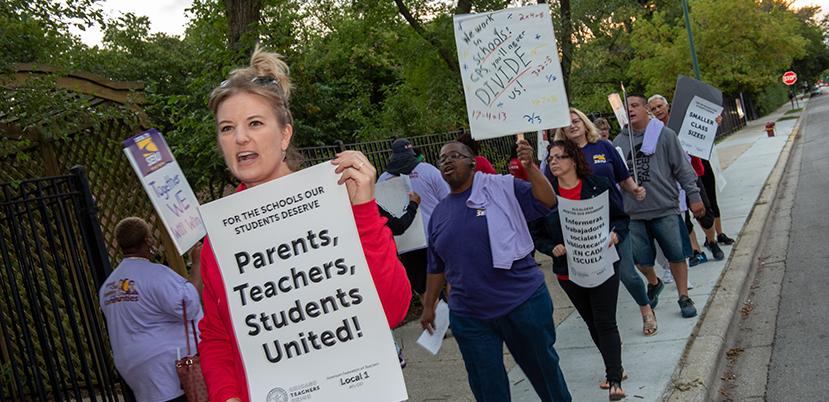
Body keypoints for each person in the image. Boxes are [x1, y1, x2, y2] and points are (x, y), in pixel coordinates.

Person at [198, 46, 411, 402]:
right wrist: (227, 395)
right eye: (227, 128)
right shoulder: (218, 241)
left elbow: (394, 308)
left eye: (255, 123)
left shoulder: (340, 201)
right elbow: (217, 336)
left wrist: (363, 213)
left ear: (284, 135)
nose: (240, 139)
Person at [421, 140, 571, 402]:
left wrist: (530, 167)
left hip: (522, 303)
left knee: (545, 375)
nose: (446, 161)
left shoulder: (502, 187)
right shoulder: (439, 213)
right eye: (442, 159)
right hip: (469, 316)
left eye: (454, 155)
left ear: (472, 161)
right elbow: (436, 265)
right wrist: (429, 306)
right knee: (488, 389)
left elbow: (547, 201)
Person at [530, 139, 628, 400]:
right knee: (592, 322)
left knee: (605, 320)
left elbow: (621, 217)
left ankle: (615, 378)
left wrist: (617, 234)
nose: (553, 162)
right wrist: (552, 248)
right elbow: (536, 235)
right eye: (550, 158)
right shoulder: (546, 196)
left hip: (603, 263)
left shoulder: (600, 186)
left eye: (559, 157)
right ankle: (615, 364)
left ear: (574, 160)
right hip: (569, 271)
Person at [553, 107, 657, 336]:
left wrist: (635, 190)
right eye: (567, 123)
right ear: (561, 130)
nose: (573, 125)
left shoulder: (604, 146)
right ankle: (609, 332)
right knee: (595, 281)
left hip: (613, 221)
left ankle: (646, 308)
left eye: (576, 120)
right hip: (582, 228)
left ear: (584, 123)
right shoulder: (557, 155)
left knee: (627, 273)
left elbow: (622, 176)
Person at [613, 93, 704, 318]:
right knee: (640, 260)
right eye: (627, 107)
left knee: (676, 254)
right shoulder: (618, 143)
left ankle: (683, 296)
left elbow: (683, 168)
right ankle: (654, 282)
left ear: (646, 109)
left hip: (665, 208)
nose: (631, 109)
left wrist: (694, 195)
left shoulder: (665, 135)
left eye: (635, 105)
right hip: (633, 214)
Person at [99, 217, 203, 402]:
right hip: (169, 369)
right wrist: (197, 264)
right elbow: (188, 305)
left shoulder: (108, 286)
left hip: (134, 369)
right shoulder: (156, 275)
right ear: (148, 241)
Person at [649, 95, 725, 267]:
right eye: (653, 109)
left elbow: (703, 135)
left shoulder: (684, 121)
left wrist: (714, 125)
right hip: (670, 179)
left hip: (692, 173)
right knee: (684, 218)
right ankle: (696, 250)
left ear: (667, 106)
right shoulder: (653, 130)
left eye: (660, 106)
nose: (658, 111)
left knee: (704, 211)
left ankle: (712, 241)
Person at [378, 138, 450, 294]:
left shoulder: (383, 179)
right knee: (452, 278)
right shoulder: (429, 170)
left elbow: (383, 215)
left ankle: (435, 317)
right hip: (435, 236)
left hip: (407, 243)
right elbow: (448, 200)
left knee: (425, 290)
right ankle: (456, 315)